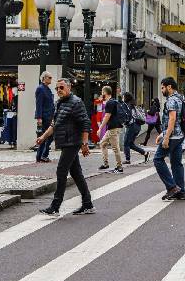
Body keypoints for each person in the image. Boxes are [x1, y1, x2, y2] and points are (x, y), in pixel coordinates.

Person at [37, 79, 94, 216]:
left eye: (61, 87)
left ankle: (55, 206)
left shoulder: (76, 102)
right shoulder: (58, 103)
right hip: (65, 142)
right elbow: (54, 124)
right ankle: (88, 204)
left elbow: (85, 123)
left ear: (69, 87)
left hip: (72, 142)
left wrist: (85, 144)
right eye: (56, 88)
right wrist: (43, 137)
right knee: (76, 173)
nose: (58, 90)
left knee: (61, 171)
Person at [155, 77, 185, 201]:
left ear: (169, 87)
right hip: (179, 135)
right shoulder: (180, 98)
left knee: (158, 159)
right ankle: (181, 192)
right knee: (176, 163)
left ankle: (172, 187)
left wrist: (166, 137)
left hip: (172, 136)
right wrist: (162, 134)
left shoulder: (171, 100)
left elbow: (172, 119)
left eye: (162, 87)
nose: (162, 90)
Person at [97, 86, 124, 174]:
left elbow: (107, 116)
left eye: (102, 92)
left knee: (115, 148)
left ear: (105, 92)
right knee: (102, 144)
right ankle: (105, 164)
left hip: (113, 128)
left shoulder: (110, 103)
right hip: (112, 128)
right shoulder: (114, 101)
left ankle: (119, 167)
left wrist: (100, 128)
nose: (101, 93)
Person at [121, 92, 150, 165]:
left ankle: (127, 160)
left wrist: (124, 122)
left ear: (126, 98)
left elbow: (128, 117)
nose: (122, 98)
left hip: (132, 126)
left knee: (126, 144)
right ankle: (145, 153)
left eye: (123, 97)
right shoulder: (133, 105)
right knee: (130, 144)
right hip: (137, 126)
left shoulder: (127, 106)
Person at [34, 71, 55, 163]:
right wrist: (39, 118)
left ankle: (41, 156)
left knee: (48, 136)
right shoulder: (40, 89)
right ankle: (42, 155)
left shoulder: (47, 89)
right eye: (49, 77)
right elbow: (39, 104)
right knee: (46, 136)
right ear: (44, 78)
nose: (51, 79)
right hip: (45, 116)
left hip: (49, 115)